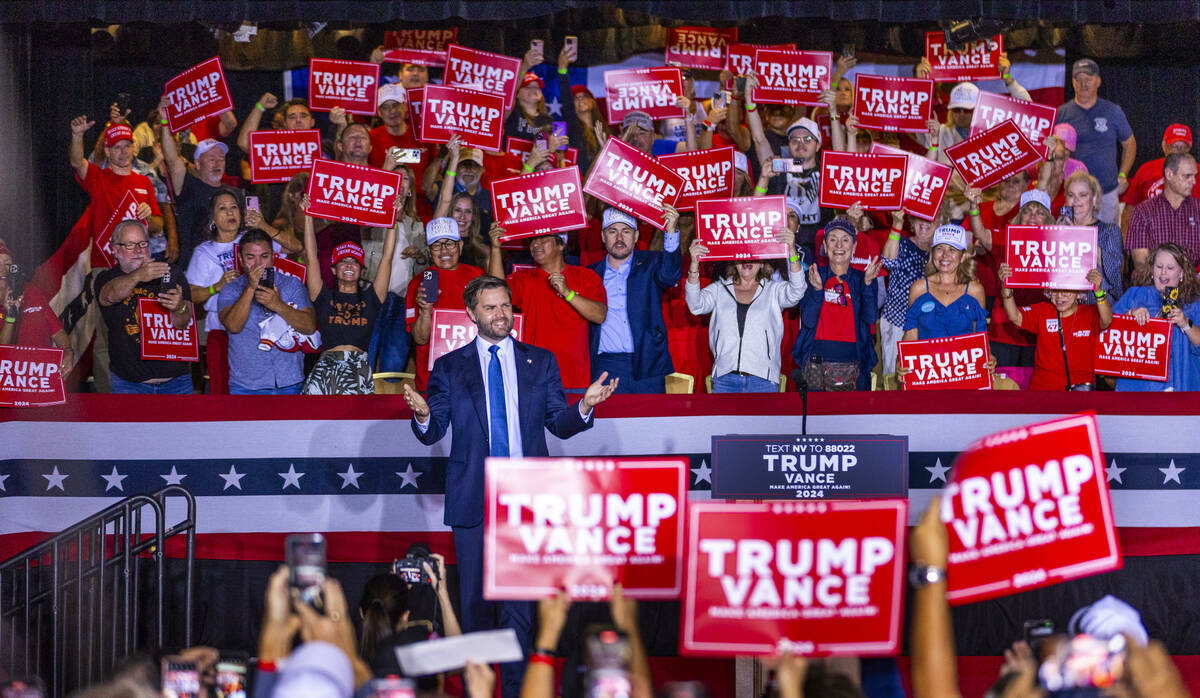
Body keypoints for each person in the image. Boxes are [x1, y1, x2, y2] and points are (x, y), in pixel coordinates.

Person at [401, 274, 618, 698]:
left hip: (527, 500)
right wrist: (424, 414)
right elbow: (433, 431)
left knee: (520, 610)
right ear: (471, 314)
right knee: (476, 607)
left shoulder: (541, 360)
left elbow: (558, 422)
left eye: (506, 306)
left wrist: (584, 407)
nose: (502, 315)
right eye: (491, 308)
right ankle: (479, 691)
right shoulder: (449, 366)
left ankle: (521, 691)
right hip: (474, 499)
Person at [685, 226, 806, 392]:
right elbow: (695, 305)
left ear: (763, 262)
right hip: (724, 379)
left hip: (763, 379)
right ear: (734, 261)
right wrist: (694, 264)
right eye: (742, 254)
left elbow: (797, 291)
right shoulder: (720, 289)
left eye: (754, 255)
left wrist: (791, 250)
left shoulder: (773, 290)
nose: (747, 260)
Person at [300, 195, 397, 394]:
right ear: (334, 270)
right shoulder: (323, 297)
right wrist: (308, 216)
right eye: (344, 261)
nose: (349, 265)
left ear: (362, 270)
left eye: (354, 261)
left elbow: (387, 258)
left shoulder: (372, 298)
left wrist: (392, 220)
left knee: (354, 425)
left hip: (357, 370)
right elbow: (311, 257)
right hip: (325, 370)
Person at [488, 227, 607, 391]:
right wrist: (495, 249)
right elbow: (495, 295)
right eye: (533, 240)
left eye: (543, 238)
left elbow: (599, 315)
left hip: (574, 379)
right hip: (533, 377)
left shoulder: (586, 276)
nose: (536, 244)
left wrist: (567, 293)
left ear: (561, 244)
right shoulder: (524, 279)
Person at [185, 189, 278, 394]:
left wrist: (263, 225)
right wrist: (215, 287)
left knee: (260, 391)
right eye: (223, 209)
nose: (230, 213)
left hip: (260, 331)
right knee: (223, 392)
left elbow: (294, 246)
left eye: (234, 207)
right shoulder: (204, 252)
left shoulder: (255, 241)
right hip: (221, 331)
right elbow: (189, 294)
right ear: (212, 219)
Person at [588, 206, 682, 393]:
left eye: (626, 231)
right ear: (603, 236)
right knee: (609, 422)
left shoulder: (652, 262)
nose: (620, 238)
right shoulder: (589, 274)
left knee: (652, 422)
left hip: (648, 363)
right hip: (606, 365)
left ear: (637, 236)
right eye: (613, 231)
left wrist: (671, 232)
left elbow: (670, 277)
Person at [96, 220, 194, 394]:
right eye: (130, 245)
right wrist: (138, 275)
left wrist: (180, 308)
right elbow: (107, 297)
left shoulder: (172, 272)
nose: (138, 250)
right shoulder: (106, 278)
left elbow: (184, 322)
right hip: (129, 384)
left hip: (176, 382)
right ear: (115, 250)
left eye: (142, 244)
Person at [217, 229, 316, 395]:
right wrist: (250, 288)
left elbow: (309, 326)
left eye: (264, 256)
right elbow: (233, 326)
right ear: (241, 259)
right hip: (246, 386)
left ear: (273, 257)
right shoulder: (231, 290)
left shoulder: (292, 284)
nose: (258, 265)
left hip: (289, 382)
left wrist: (278, 305)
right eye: (251, 257)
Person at [793, 219, 883, 391]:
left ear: (854, 247)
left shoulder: (862, 278)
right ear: (825, 247)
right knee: (816, 416)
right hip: (815, 364)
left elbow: (870, 318)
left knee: (852, 416)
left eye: (845, 239)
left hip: (853, 363)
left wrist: (868, 285)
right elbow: (808, 321)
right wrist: (818, 290)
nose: (839, 245)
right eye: (833, 239)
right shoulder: (813, 275)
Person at [998, 262, 1112, 390]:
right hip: (1043, 390)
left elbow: (1107, 320)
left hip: (1079, 391)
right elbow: (1015, 317)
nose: (1059, 297)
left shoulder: (1089, 313)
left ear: (1079, 294)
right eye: (1055, 291)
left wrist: (1098, 291)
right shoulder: (1043, 311)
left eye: (1066, 291)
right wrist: (1006, 288)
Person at [69, 117, 164, 266]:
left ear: (134, 148)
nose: (123, 152)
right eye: (117, 147)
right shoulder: (98, 177)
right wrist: (77, 136)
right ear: (107, 151)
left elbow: (158, 226)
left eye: (127, 146)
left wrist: (149, 217)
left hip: (138, 265)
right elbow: (77, 162)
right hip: (104, 264)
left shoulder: (144, 181)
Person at [408, 217, 485, 390]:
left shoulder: (478, 276)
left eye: (450, 243)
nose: (444, 250)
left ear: (460, 246)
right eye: (436, 245)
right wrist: (426, 311)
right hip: (433, 378)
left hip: (472, 375)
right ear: (428, 250)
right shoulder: (418, 283)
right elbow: (420, 339)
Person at [1110, 243, 1200, 391]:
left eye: (1170, 268)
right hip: (1137, 391)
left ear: (1182, 273)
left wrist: (1185, 324)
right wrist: (1130, 315)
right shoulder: (1134, 296)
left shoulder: (1193, 303)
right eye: (1159, 267)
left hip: (1181, 388)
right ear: (1152, 269)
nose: (1163, 273)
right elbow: (1106, 331)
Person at [1055, 58, 1135, 223]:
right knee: (1070, 239)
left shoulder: (1112, 111)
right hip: (1072, 195)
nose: (1084, 84)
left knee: (1106, 242)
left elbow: (1130, 144)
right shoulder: (1061, 113)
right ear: (1073, 82)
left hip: (1106, 192)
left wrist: (1123, 174)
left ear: (1098, 81)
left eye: (1088, 79)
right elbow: (1051, 150)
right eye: (1079, 79)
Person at [987, 189, 1054, 367]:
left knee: (1033, 394)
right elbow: (980, 233)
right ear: (1019, 216)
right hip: (1004, 331)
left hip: (1038, 334)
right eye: (1027, 211)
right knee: (1003, 390)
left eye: (1040, 212)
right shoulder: (1005, 239)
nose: (1032, 216)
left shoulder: (1058, 248)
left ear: (1048, 220)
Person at [901, 224, 988, 341]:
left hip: (963, 359)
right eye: (939, 248)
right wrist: (901, 358)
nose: (945, 255)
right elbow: (911, 333)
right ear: (933, 254)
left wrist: (989, 356)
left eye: (952, 249)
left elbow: (980, 335)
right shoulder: (919, 288)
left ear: (962, 256)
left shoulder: (975, 290)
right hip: (929, 358)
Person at [1125, 152, 1200, 283]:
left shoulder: (1198, 209)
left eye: (1195, 176)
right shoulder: (1143, 212)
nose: (1193, 182)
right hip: (1152, 287)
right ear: (1169, 174)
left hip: (1192, 287)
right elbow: (1141, 264)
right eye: (1187, 176)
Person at [0, 244, 74, 376]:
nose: (3, 270)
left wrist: (68, 352)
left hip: (39, 375)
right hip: (10, 379)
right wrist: (11, 315)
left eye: (7, 264)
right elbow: (2, 354)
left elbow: (57, 332)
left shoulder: (31, 291)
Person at [879, 211, 935, 376]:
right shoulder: (902, 243)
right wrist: (896, 224)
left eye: (930, 218)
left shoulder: (942, 250)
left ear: (940, 222)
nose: (924, 222)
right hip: (897, 325)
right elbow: (888, 261)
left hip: (931, 327)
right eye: (920, 217)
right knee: (894, 376)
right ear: (912, 221)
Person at [1059, 170, 1124, 300]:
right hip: (1064, 304)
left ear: (1094, 199)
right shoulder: (1058, 231)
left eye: (1083, 195)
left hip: (1098, 306)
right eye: (1071, 195)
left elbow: (1114, 274)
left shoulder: (1109, 231)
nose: (1076, 200)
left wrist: (1081, 237)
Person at [1122, 123, 1200, 225]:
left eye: (1183, 147)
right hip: (1153, 235)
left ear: (1190, 149)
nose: (1179, 152)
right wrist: (1125, 240)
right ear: (1164, 146)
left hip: (1188, 234)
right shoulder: (1147, 170)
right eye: (1174, 146)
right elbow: (1129, 212)